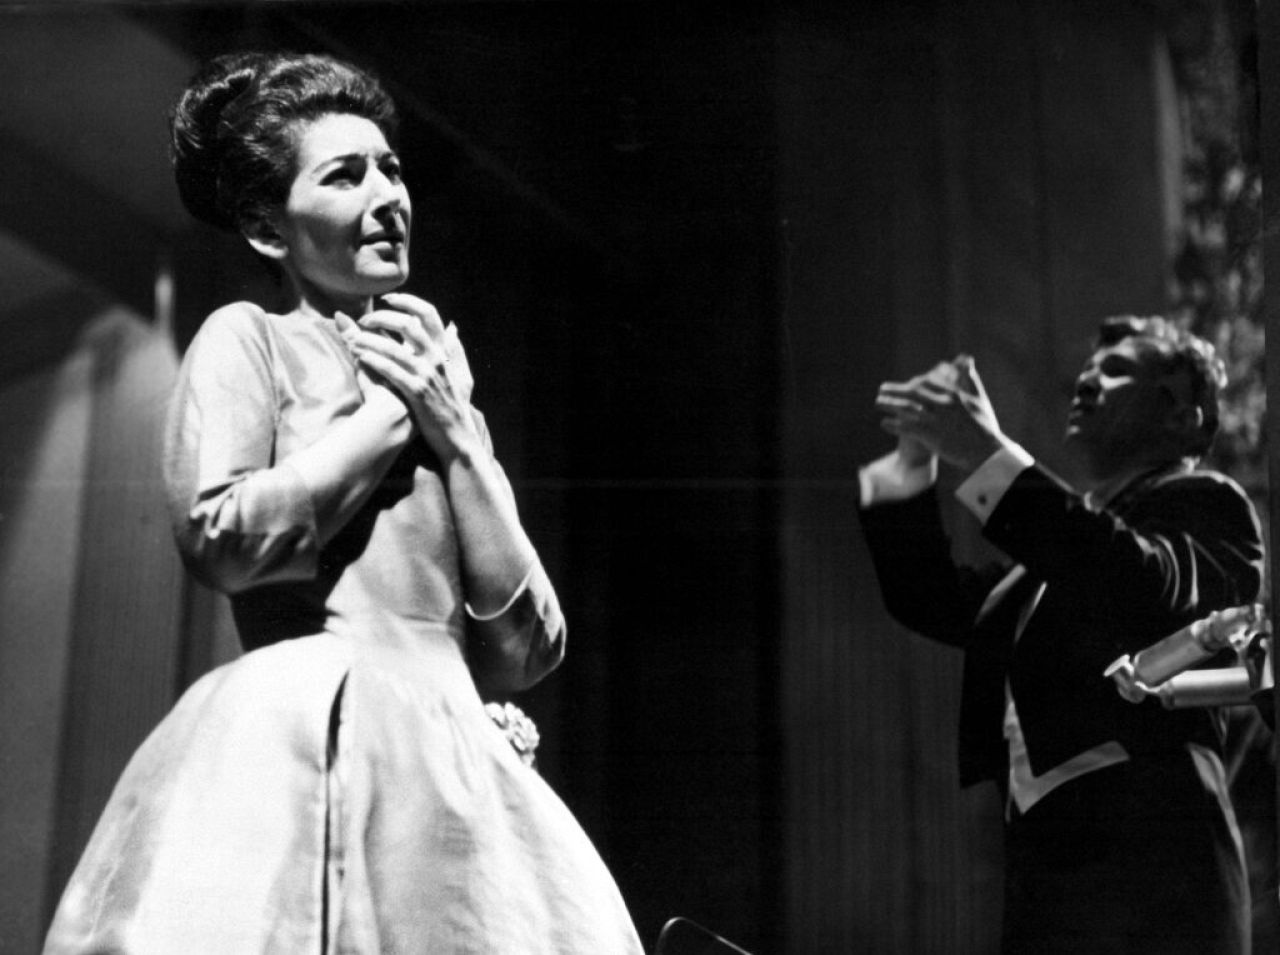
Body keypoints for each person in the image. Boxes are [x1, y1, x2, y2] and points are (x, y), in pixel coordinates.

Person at [44, 51, 644, 954]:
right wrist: (389, 420)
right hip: (314, 726)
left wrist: (461, 436)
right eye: (345, 174)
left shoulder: (442, 385)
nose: (387, 194)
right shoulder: (251, 339)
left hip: (454, 761)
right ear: (266, 230)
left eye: (393, 169)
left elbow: (528, 646)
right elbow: (220, 533)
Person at [857, 316, 1263, 953]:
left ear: (1184, 417)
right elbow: (929, 599)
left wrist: (987, 456)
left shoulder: (1209, 503)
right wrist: (911, 463)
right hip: (1046, 869)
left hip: (1155, 863)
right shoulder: (1042, 568)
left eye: (1118, 368)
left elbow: (1138, 581)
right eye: (1087, 369)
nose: (1087, 380)